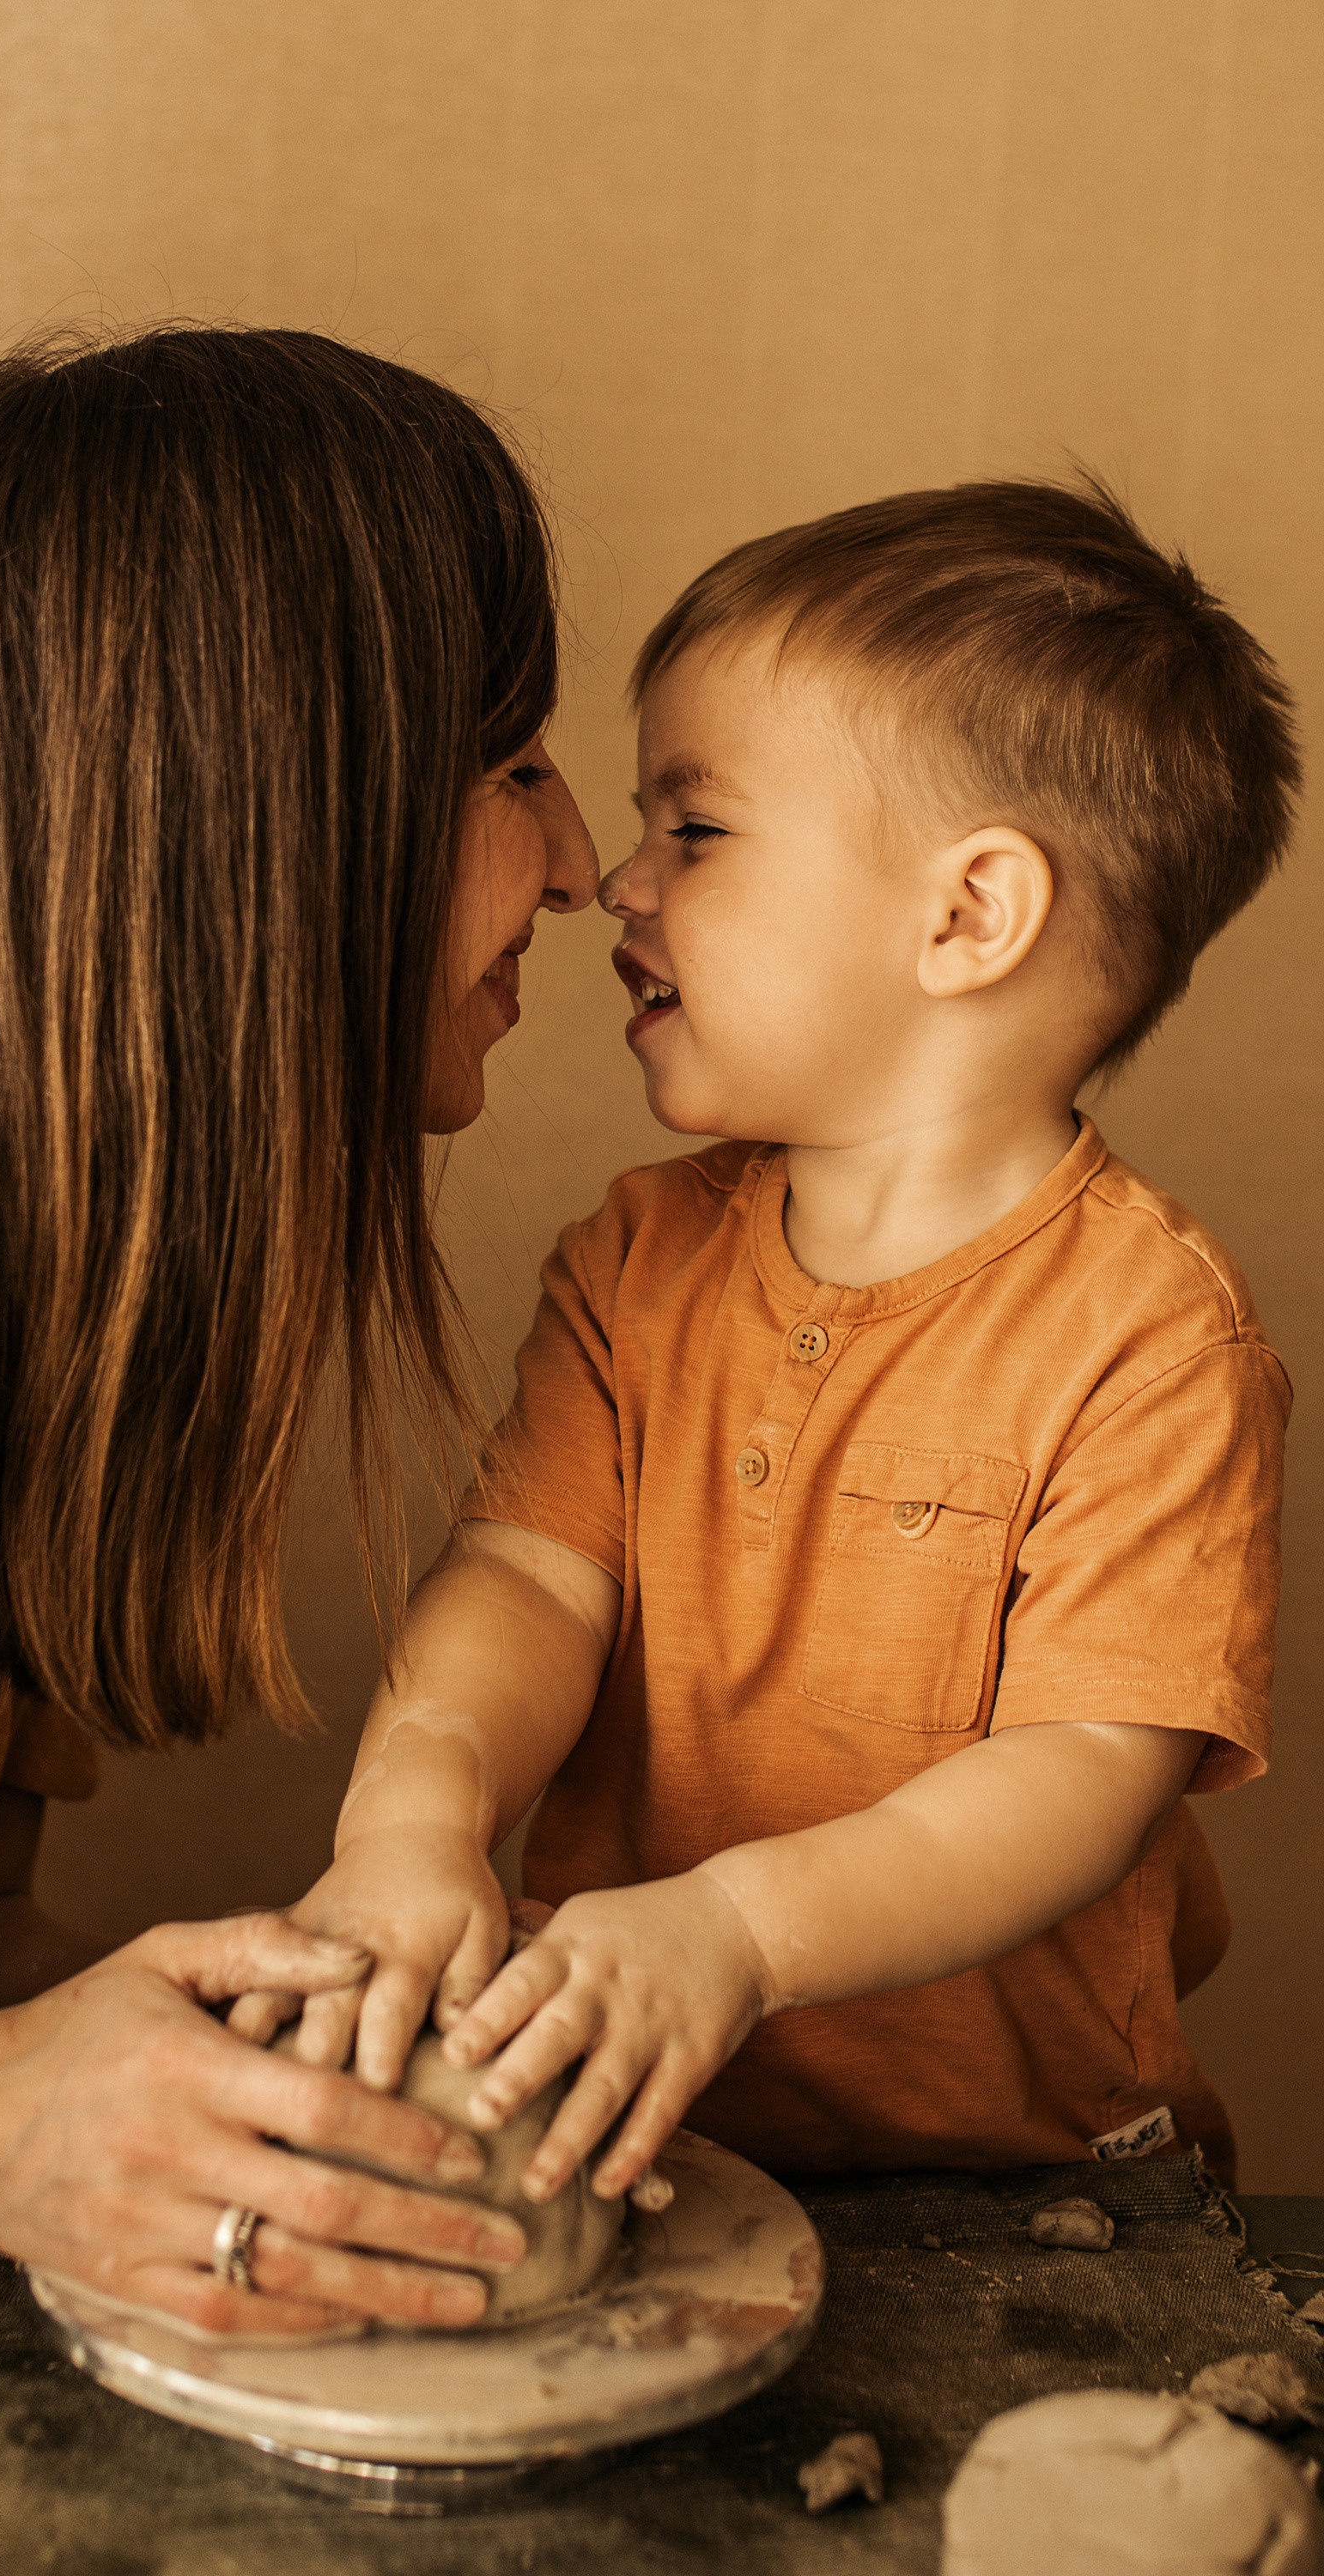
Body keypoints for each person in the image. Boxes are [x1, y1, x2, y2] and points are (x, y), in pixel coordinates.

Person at [0, 324, 598, 2330]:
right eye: (513, 766)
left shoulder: (36, 1244)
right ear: (268, 810)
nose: (578, 866)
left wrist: (322, 2071)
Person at [236, 477, 1297, 2202]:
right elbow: (526, 1584)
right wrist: (411, 1824)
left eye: (698, 829)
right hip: (653, 2146)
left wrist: (735, 1928)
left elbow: (1086, 1771)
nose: (617, 884)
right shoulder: (637, 1257)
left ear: (968, 917)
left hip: (1019, 2192)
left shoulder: (1151, 1336)